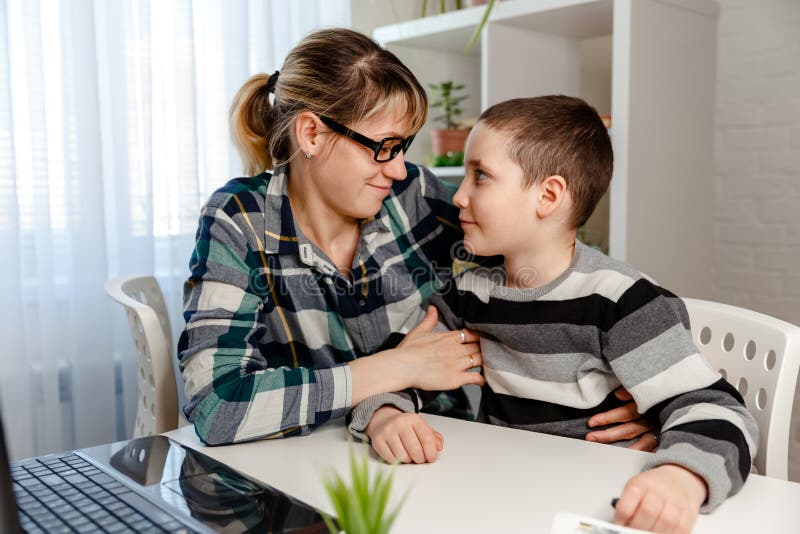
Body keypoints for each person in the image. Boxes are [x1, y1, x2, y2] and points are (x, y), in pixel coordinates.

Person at [178, 28, 652, 452]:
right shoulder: (240, 220)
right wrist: (392, 369)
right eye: (385, 146)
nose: (400, 167)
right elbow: (217, 407)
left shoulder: (414, 196)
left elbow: (540, 251)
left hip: (446, 451)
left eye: (404, 147)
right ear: (312, 134)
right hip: (307, 466)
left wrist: (628, 385)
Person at [357, 96, 758, 533]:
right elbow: (400, 362)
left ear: (548, 195)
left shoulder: (620, 300)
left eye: (481, 176)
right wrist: (386, 415)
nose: (459, 196)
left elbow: (716, 408)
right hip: (505, 496)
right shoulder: (471, 290)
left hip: (602, 501)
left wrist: (681, 478)